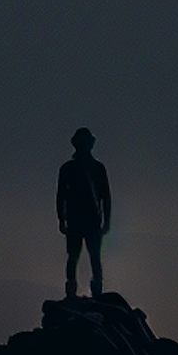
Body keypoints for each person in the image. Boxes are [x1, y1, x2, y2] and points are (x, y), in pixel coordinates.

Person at [57, 127, 111, 298]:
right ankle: (94, 290)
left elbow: (61, 196)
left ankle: (73, 290)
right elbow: (106, 198)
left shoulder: (68, 168)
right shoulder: (96, 168)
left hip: (78, 220)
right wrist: (106, 221)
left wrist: (61, 219)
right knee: (89, 256)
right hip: (90, 220)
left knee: (76, 256)